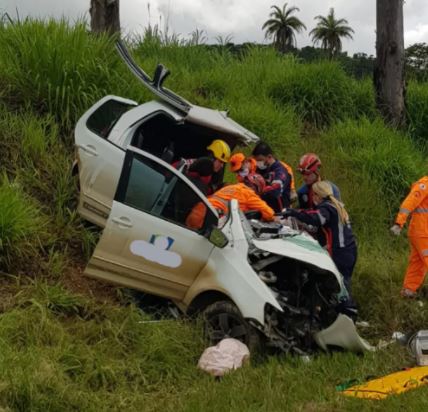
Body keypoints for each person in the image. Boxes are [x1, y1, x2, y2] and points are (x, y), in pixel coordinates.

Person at [283, 181, 357, 314]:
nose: (313, 198)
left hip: (340, 252)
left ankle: (348, 315)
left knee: (341, 286)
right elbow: (318, 224)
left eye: (314, 195)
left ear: (318, 195)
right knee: (342, 283)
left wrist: (294, 213)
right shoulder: (335, 206)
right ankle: (339, 313)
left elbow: (317, 218)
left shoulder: (327, 208)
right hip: (348, 250)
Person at [186, 173, 276, 230]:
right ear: (257, 189)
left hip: (197, 211)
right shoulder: (249, 193)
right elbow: (269, 214)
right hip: (209, 220)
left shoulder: (231, 187)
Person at [390, 175, 428, 298]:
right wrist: (399, 223)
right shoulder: (424, 184)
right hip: (422, 233)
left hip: (422, 232)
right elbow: (410, 202)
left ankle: (408, 293)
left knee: (418, 264)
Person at [252, 142, 291, 211]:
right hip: (265, 211)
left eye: (260, 160)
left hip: (281, 213)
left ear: (269, 157)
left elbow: (275, 191)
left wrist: (259, 192)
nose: (258, 163)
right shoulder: (261, 170)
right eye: (256, 161)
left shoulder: (280, 171)